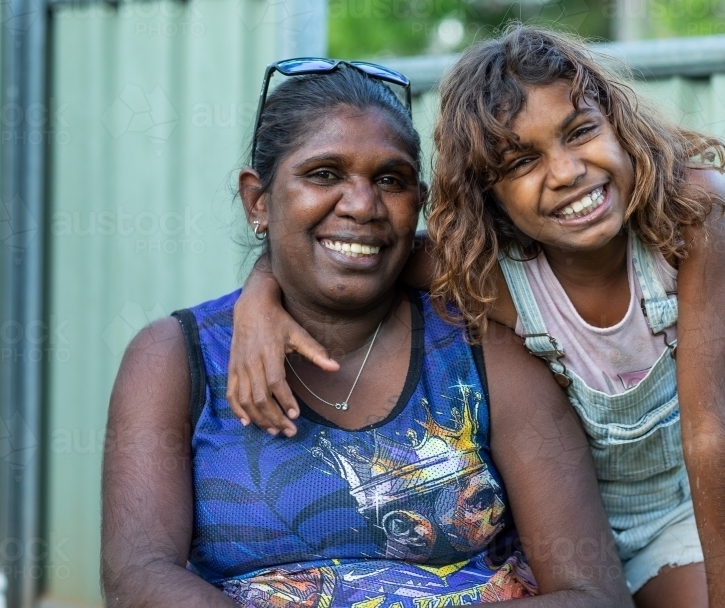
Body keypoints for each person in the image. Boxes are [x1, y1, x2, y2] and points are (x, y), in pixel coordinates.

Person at [228, 25, 725, 608]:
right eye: (523, 161)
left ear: (619, 125)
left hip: (671, 518)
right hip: (545, 532)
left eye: (580, 132)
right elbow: (356, 250)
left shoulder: (688, 218)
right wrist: (259, 296)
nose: (565, 172)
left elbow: (710, 435)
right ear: (488, 194)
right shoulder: (493, 274)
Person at [99, 61, 632, 608]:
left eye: (390, 180)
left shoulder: (483, 348)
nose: (362, 205)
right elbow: (138, 577)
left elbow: (594, 594)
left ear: (418, 203)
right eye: (324, 174)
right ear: (258, 200)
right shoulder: (173, 358)